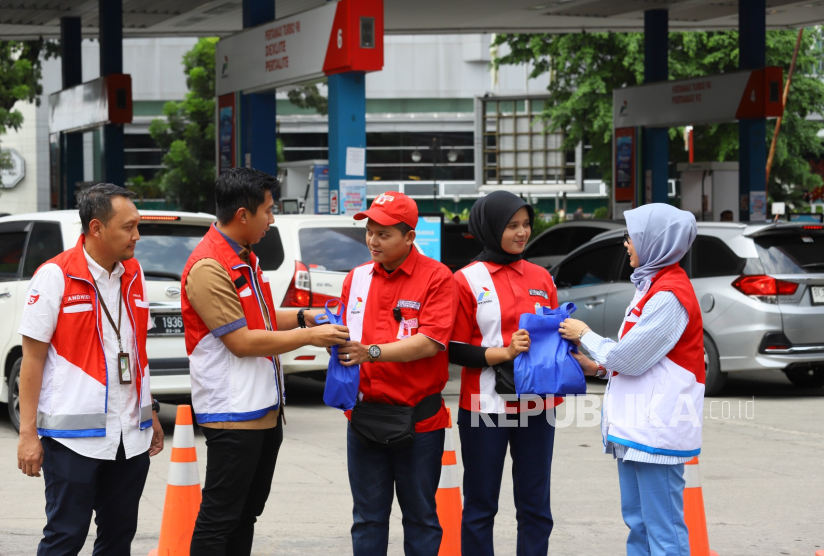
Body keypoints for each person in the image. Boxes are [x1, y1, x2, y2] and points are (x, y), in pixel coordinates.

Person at [183, 168, 350, 556]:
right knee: (221, 518)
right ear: (243, 215)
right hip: (233, 414)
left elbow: (261, 317)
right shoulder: (210, 266)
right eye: (269, 211)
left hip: (262, 411)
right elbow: (241, 341)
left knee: (246, 514)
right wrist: (311, 337)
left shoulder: (245, 258)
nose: (272, 220)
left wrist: (306, 317)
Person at [16, 183, 164, 555]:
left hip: (129, 437)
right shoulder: (56, 276)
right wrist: (27, 434)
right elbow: (31, 358)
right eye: (128, 227)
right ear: (96, 228)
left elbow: (136, 352)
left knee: (117, 538)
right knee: (66, 536)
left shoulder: (134, 274)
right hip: (73, 441)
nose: (137, 235)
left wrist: (152, 413)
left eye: (137, 225)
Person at [559, 203, 704, 556]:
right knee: (639, 526)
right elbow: (641, 357)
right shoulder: (651, 285)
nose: (626, 243)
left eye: (631, 236)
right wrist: (596, 368)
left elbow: (630, 358)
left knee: (663, 532)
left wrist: (586, 334)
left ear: (654, 241)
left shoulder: (670, 295)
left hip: (655, 431)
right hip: (636, 429)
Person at [337, 191, 457, 556]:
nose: (373, 240)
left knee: (421, 519)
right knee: (368, 519)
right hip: (364, 419)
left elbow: (429, 342)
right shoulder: (356, 278)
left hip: (418, 424)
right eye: (370, 231)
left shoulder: (437, 278)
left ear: (409, 237)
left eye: (384, 233)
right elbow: (342, 335)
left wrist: (369, 352)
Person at [448, 190, 562, 556]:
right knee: (481, 506)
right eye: (512, 225)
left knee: (536, 507)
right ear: (490, 226)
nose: (522, 232)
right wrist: (504, 353)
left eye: (526, 224)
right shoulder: (465, 280)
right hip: (484, 407)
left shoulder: (542, 277)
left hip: (537, 405)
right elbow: (454, 348)